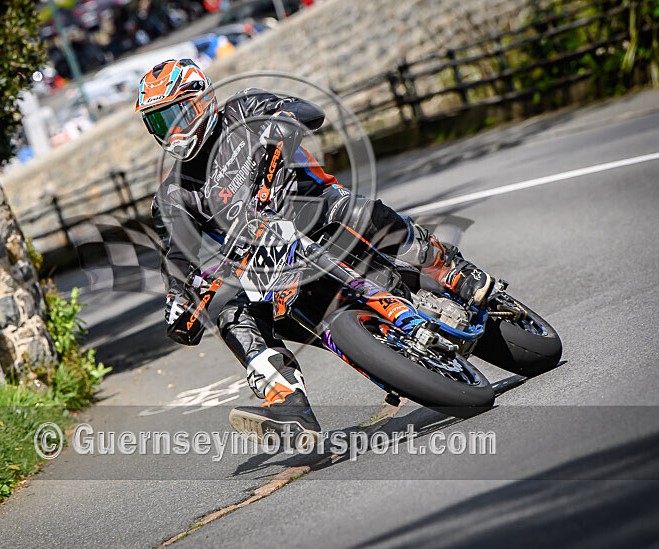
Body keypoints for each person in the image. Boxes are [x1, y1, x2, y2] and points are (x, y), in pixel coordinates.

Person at [135, 59, 493, 445]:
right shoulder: (172, 195)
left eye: (175, 114)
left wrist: (281, 123)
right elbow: (177, 255)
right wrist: (179, 300)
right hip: (268, 262)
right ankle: (287, 403)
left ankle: (451, 269)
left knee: (360, 212)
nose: (171, 130)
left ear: (203, 99)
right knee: (229, 311)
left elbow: (309, 111)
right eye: (159, 122)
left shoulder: (243, 107)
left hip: (318, 209)